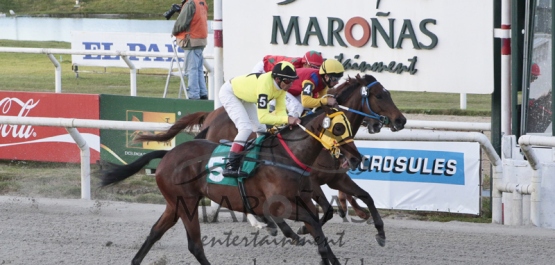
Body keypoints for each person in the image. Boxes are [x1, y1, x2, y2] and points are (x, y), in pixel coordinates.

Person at [219, 61, 302, 177]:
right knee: (246, 128)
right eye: (288, 81)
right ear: (277, 79)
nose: (290, 85)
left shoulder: (281, 88)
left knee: (261, 129)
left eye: (292, 81)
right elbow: (263, 117)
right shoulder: (266, 86)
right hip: (230, 93)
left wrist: (286, 122)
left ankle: (257, 157)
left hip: (245, 96)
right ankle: (230, 166)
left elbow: (281, 112)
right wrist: (288, 120)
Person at [172, 0, 209, 100]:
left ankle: (194, 96)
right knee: (198, 70)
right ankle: (203, 94)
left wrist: (174, 32)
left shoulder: (190, 3)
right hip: (200, 40)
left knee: (191, 70)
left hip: (191, 41)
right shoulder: (202, 2)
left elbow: (182, 23)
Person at [251, 50, 324, 74]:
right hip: (264, 68)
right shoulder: (293, 66)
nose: (316, 70)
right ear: (305, 64)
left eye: (318, 68)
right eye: (313, 67)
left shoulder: (302, 69)